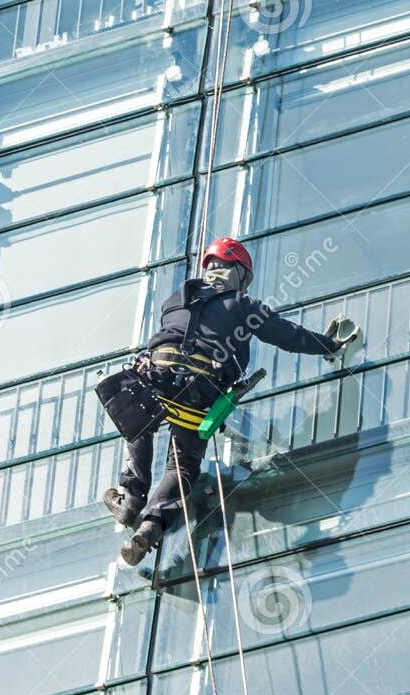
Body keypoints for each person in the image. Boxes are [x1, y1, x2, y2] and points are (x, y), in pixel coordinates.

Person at [102, 236, 359, 565]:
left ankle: (131, 499)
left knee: (137, 422)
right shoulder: (242, 304)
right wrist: (328, 344)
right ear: (238, 273)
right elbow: (287, 335)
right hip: (200, 389)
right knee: (182, 466)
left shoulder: (175, 299)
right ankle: (149, 529)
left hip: (156, 378)